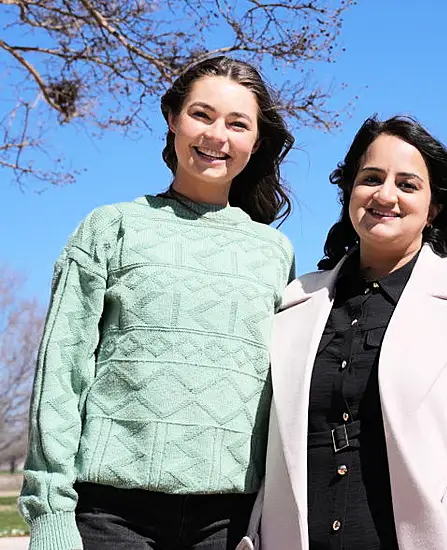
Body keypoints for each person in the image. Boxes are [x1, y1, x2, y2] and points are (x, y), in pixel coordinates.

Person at [18, 56, 296, 550]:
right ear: (173, 119)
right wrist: (50, 514)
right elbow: (62, 372)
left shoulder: (275, 253)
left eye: (238, 124)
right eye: (202, 115)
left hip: (227, 523)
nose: (217, 135)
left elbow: (279, 392)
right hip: (111, 515)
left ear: (256, 142)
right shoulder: (111, 227)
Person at [245, 115, 447, 550]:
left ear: (433, 207)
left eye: (408, 184)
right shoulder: (295, 302)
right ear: (349, 193)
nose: (385, 195)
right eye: (371, 178)